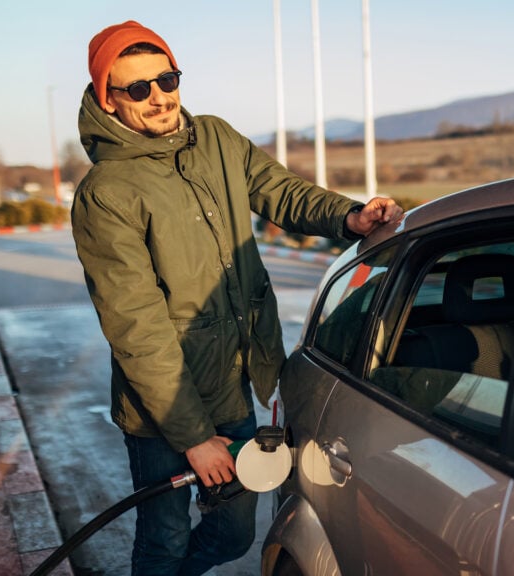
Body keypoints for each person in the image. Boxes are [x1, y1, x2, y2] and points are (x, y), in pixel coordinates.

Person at [71, 20, 402, 575]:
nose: (159, 97)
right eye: (137, 89)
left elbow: (281, 191)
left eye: (166, 79)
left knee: (231, 535)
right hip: (160, 413)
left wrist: (349, 215)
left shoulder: (217, 140)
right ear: (109, 102)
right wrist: (195, 439)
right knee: (165, 542)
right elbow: (137, 330)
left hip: (231, 384)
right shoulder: (106, 193)